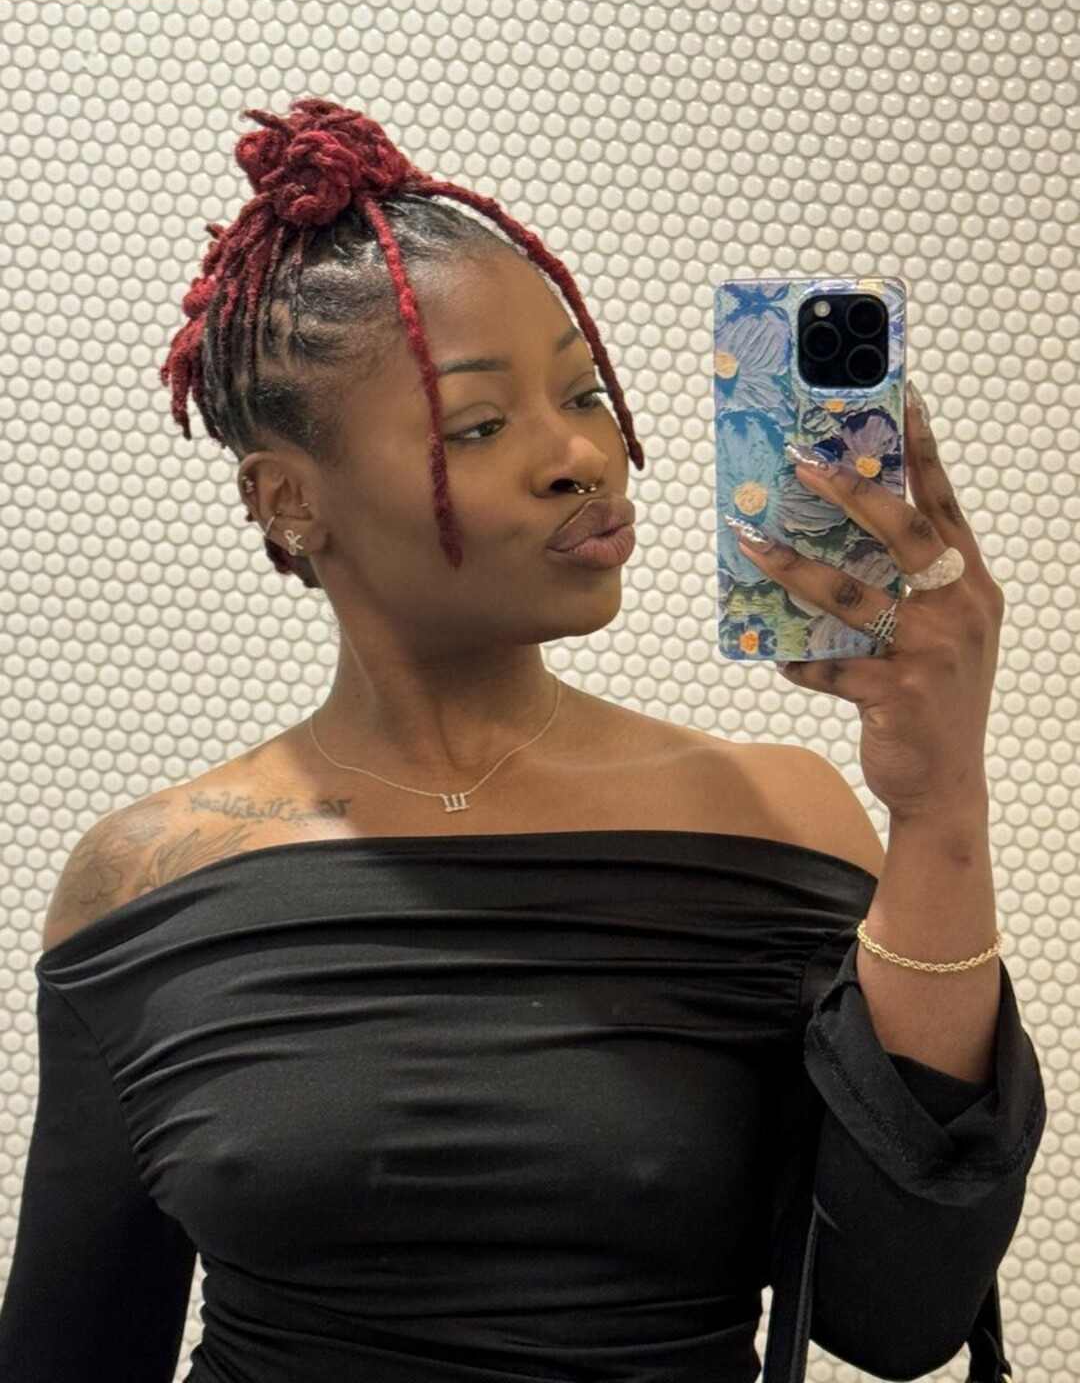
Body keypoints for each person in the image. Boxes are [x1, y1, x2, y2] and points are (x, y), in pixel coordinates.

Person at [0, 98, 1045, 1383]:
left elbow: (901, 1315)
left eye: (584, 391)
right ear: (287, 500)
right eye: (480, 425)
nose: (582, 456)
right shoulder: (143, 884)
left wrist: (940, 809)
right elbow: (72, 1350)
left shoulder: (774, 823)